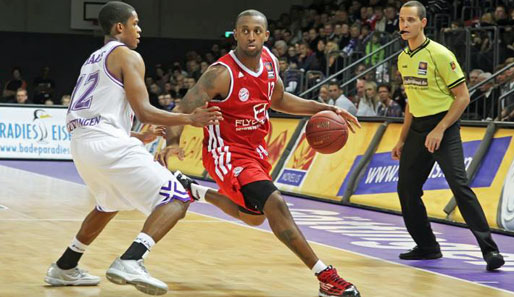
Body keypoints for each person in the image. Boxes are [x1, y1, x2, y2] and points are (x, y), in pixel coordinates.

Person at [162, 9, 361, 297]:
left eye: (257, 31)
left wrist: (325, 108)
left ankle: (194, 191)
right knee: (275, 203)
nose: (251, 36)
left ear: (266, 35)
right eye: (245, 30)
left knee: (254, 216)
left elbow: (279, 99)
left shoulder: (270, 62)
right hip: (226, 152)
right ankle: (326, 277)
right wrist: (172, 142)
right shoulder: (220, 73)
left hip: (255, 150)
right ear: (236, 34)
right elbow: (182, 108)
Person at [44, 2, 221, 295]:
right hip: (106, 144)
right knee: (177, 197)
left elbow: (99, 111)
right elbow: (145, 110)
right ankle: (131, 260)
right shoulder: (128, 56)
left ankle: (64, 266)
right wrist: (189, 118)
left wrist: (135, 138)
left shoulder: (92, 59)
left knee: (108, 205)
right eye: (135, 23)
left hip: (83, 144)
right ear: (119, 27)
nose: (139, 30)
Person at [391, 1, 504, 271]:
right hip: (418, 128)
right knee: (406, 189)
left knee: (459, 186)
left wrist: (440, 129)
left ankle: (490, 251)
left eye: (410, 20)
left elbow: (463, 97)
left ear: (423, 23)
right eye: (401, 20)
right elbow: (411, 103)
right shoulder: (403, 58)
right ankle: (427, 246)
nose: (404, 25)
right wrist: (402, 139)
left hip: (445, 126)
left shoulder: (440, 54)